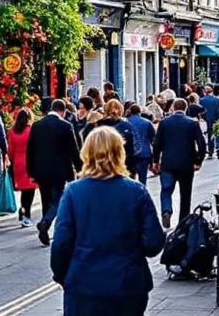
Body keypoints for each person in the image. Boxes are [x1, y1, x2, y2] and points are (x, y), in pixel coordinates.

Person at [50, 126, 166, 315]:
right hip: (128, 283)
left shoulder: (73, 192)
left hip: (84, 284)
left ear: (86, 154)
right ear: (120, 153)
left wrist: (62, 275)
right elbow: (154, 242)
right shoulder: (136, 191)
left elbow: (61, 242)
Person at [27, 99, 83, 246]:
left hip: (41, 169)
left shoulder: (37, 125)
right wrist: (80, 168)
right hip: (60, 169)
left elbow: (30, 150)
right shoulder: (65, 126)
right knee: (59, 197)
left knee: (45, 199)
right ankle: (45, 222)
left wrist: (31, 171)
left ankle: (45, 229)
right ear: (62, 111)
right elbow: (73, 150)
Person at [152, 98, 207, 227]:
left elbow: (157, 144)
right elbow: (201, 143)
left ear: (172, 107)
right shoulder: (192, 123)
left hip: (168, 163)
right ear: (185, 108)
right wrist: (198, 160)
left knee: (166, 189)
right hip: (186, 164)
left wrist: (155, 161)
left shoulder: (164, 123)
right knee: (185, 194)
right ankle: (183, 223)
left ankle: (166, 210)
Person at [7, 107, 38, 227]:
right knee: (30, 190)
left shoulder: (12, 131)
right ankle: (26, 214)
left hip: (18, 162)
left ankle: (23, 210)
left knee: (24, 190)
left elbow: (10, 150)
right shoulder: (31, 130)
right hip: (30, 162)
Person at [126, 104, 155, 185]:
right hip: (144, 153)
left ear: (130, 112)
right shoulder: (147, 123)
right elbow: (153, 139)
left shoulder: (126, 122)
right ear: (140, 112)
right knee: (143, 178)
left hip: (130, 153)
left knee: (130, 178)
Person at [200, 86, 219, 158]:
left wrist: (204, 118)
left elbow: (201, 111)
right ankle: (218, 149)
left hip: (207, 119)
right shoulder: (218, 99)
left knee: (209, 134)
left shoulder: (201, 100)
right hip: (216, 118)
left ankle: (211, 151)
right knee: (218, 133)